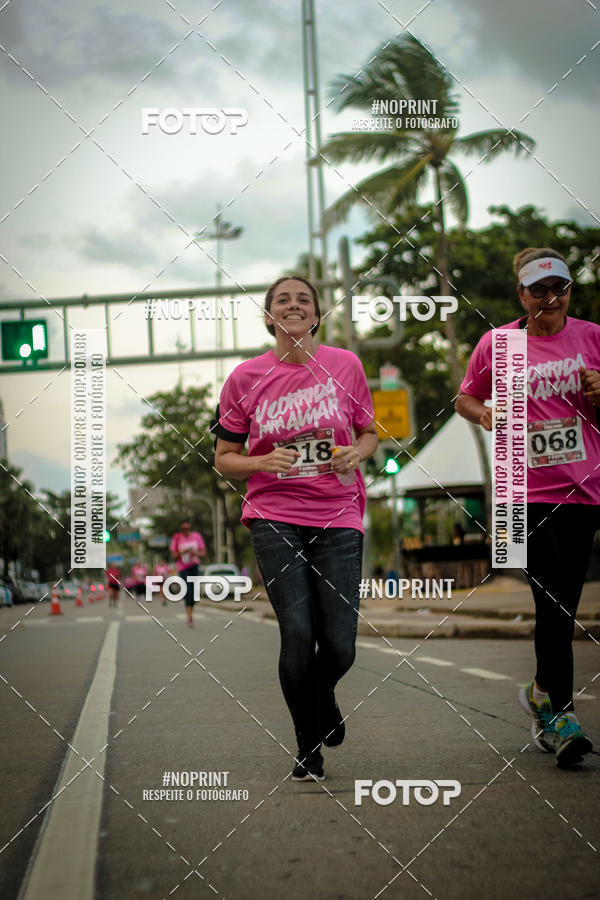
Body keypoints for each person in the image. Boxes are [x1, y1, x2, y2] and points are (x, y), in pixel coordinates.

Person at [214, 275, 378, 781]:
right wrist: (262, 462)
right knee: (298, 633)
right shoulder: (245, 378)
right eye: (282, 300)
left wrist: (357, 451)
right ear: (269, 317)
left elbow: (370, 433)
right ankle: (308, 743)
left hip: (338, 513)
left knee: (341, 646)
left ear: (317, 314)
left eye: (303, 299)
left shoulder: (346, 366)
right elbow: (224, 459)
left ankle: (321, 695)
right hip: (274, 514)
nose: (293, 305)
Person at [456, 247, 600, 767]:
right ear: (522, 295)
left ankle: (542, 693)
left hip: (584, 488)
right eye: (538, 290)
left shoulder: (591, 337)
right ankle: (560, 716)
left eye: (558, 288)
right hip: (522, 494)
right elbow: (465, 398)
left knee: (566, 600)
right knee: (552, 603)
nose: (550, 298)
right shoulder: (500, 344)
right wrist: (489, 415)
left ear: (568, 292)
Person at [170, 521, 207, 626]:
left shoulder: (197, 536)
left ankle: (191, 611)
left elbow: (203, 552)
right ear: (180, 530)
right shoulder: (177, 538)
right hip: (183, 568)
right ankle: (189, 617)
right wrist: (182, 552)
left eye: (188, 529)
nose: (186, 531)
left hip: (194, 565)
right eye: (183, 529)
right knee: (188, 591)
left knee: (195, 593)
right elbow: (174, 555)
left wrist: (195, 553)